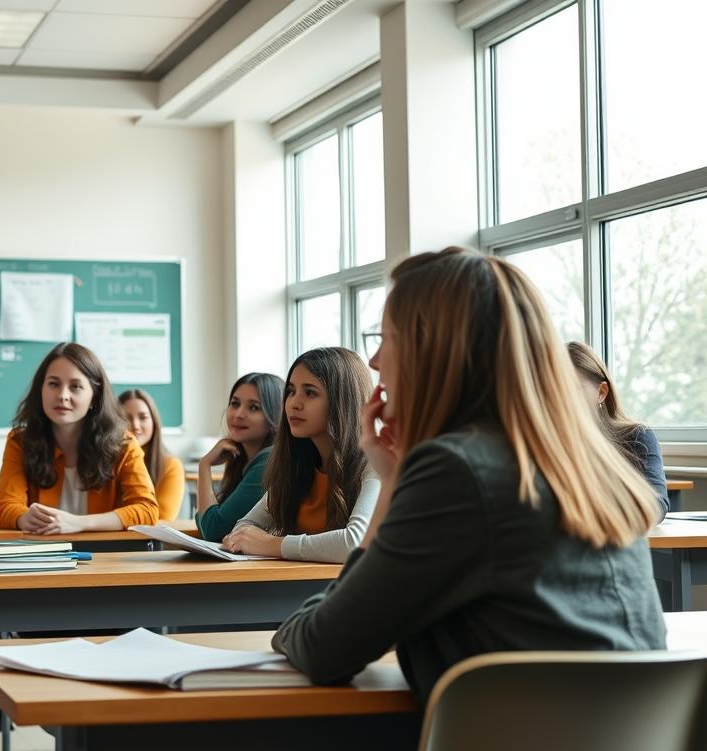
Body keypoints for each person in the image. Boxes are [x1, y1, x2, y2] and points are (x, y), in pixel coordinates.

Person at [271, 247, 665, 705]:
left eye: (386, 338)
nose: (375, 361)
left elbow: (323, 646)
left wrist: (393, 486)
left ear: (432, 352)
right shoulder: (590, 459)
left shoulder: (456, 469)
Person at [221, 349, 378, 562]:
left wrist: (272, 544)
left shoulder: (375, 463)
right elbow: (244, 528)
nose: (294, 403)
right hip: (299, 588)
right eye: (291, 391)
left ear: (342, 401)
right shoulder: (297, 464)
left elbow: (355, 543)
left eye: (310, 393)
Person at [0, 342, 158, 533]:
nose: (63, 395)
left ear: (94, 398)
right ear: (41, 391)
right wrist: (23, 517)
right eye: (53, 384)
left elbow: (147, 510)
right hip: (41, 555)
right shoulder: (20, 441)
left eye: (76, 386)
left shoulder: (124, 444)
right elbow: (6, 508)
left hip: (107, 556)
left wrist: (79, 523)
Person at [567, 341, 669, 519]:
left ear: (602, 392)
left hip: (617, 541)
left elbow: (656, 504)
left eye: (574, 388)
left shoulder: (637, 437)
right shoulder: (540, 442)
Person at [194, 373, 283, 541]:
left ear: (276, 414)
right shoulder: (242, 460)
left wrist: (204, 465)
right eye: (235, 404)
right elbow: (206, 523)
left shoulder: (269, 460)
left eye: (254, 408)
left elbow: (213, 531)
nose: (239, 414)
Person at [118, 389, 184, 520]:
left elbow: (162, 518)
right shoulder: (105, 462)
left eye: (143, 417)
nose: (136, 425)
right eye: (127, 418)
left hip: (149, 539)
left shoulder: (170, 465)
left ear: (154, 421)